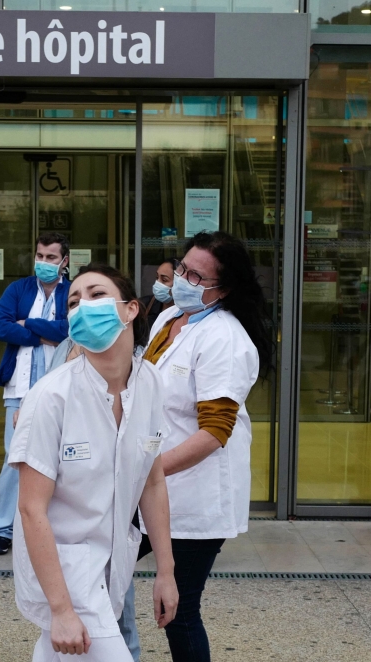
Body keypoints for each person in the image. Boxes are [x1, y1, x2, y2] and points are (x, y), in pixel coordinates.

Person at [11, 264, 179, 662]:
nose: (83, 306)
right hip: (67, 573)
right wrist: (61, 610)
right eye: (74, 301)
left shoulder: (151, 383)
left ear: (131, 309)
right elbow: (30, 508)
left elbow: (152, 483)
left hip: (112, 568)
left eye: (97, 295)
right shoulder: (51, 396)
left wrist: (166, 573)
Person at [142, 231, 270, 662]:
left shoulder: (225, 339)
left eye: (196, 276)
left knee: (179, 611)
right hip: (156, 483)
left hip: (195, 495)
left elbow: (215, 433)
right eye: (182, 269)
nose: (181, 279)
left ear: (224, 289)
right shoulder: (170, 317)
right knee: (104, 574)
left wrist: (148, 469)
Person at [0, 233, 71, 556]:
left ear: (65, 261)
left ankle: (45, 524)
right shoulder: (18, 289)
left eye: (51, 257)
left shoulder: (71, 292)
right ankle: (2, 528)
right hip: (20, 389)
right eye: (40, 256)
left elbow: (70, 329)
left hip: (61, 390)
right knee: (15, 458)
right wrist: (42, 335)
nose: (44, 263)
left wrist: (29, 324)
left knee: (58, 459)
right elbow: (1, 327)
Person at [140, 258, 180, 330]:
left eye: (164, 280)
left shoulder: (187, 313)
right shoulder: (144, 305)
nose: (157, 283)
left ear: (179, 284)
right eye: (157, 277)